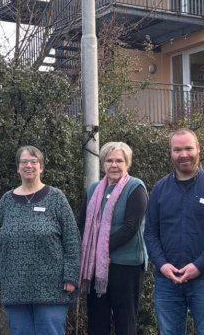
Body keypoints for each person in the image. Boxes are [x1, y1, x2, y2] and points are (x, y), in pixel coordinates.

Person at [144, 128, 204, 335]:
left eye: (188, 148)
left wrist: (198, 266)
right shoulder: (159, 189)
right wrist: (162, 264)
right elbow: (150, 232)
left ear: (198, 149)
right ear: (170, 153)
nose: (183, 154)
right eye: (177, 150)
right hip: (167, 280)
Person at [0, 146, 80, 335]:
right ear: (18, 168)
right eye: (24, 162)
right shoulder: (6, 201)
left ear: (41, 167)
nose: (29, 165)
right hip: (14, 287)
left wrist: (71, 276)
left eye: (33, 161)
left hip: (51, 288)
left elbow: (72, 240)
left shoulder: (56, 198)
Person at [78, 141, 148, 335]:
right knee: (97, 320)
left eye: (119, 160)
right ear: (103, 164)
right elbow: (82, 222)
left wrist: (102, 250)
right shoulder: (93, 189)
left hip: (126, 266)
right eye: (109, 160)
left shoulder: (136, 187)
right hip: (95, 266)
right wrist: (95, 253)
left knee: (125, 321)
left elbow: (131, 227)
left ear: (127, 163)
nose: (114, 165)